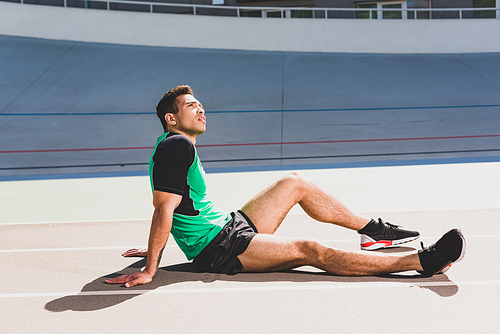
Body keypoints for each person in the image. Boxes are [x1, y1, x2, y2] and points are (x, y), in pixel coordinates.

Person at [106, 85, 466, 288]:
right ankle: (421, 262)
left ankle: (371, 232)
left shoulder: (174, 146)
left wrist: (158, 243)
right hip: (218, 247)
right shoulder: (176, 144)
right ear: (172, 119)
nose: (201, 110)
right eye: (191, 106)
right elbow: (163, 207)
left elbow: (174, 205)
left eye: (200, 104)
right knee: (310, 249)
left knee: (293, 182)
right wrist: (151, 266)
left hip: (227, 227)